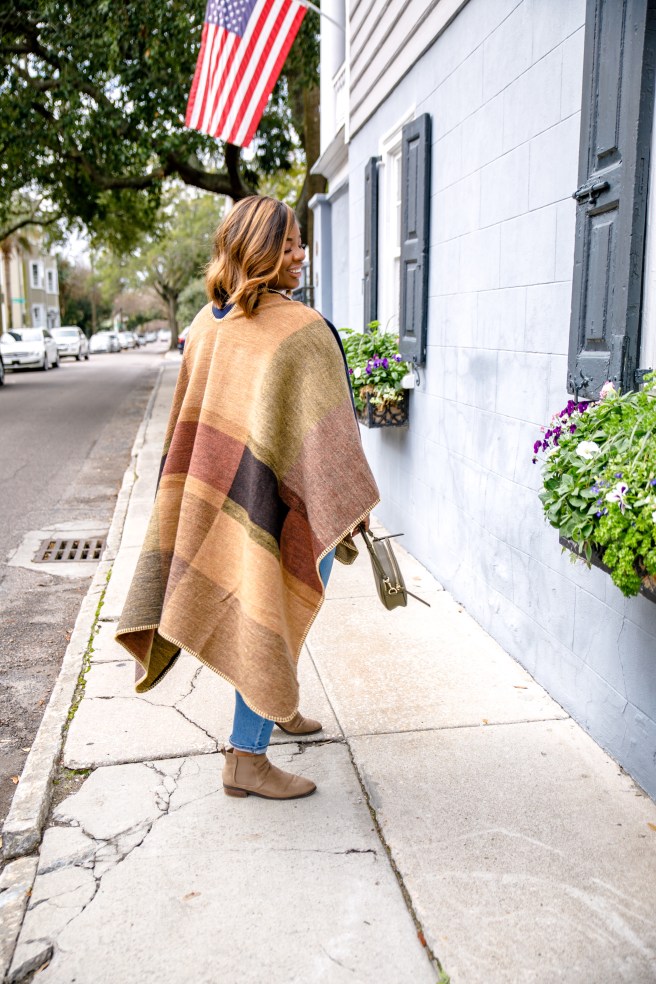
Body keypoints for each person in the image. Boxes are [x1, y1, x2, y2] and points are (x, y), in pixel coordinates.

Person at [116, 196, 379, 801]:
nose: (300, 254)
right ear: (256, 249)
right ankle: (246, 758)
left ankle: (275, 701)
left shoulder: (208, 322)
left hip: (228, 494)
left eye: (300, 243)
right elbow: (328, 435)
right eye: (287, 246)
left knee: (274, 609)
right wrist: (347, 501)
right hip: (269, 504)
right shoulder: (299, 330)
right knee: (271, 610)